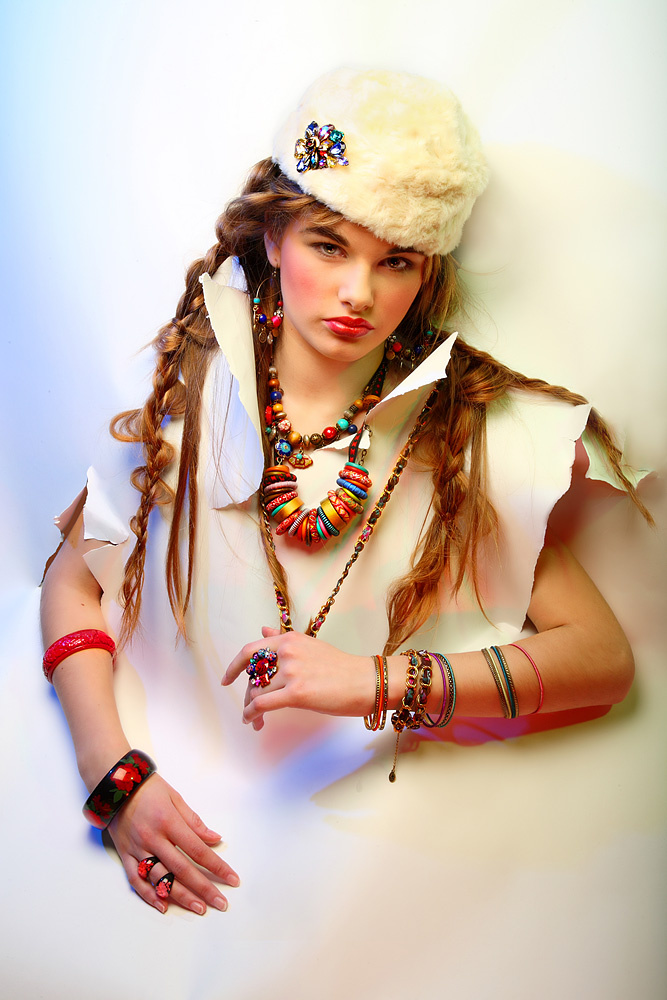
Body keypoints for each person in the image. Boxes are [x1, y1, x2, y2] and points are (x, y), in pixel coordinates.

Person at [40, 68, 650, 917]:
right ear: (274, 237)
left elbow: (601, 660)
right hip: (175, 819)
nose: (359, 293)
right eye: (328, 246)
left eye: (394, 261)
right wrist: (114, 777)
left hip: (391, 870)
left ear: (426, 274)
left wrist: (377, 680)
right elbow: (74, 576)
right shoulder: (192, 385)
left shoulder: (456, 440)